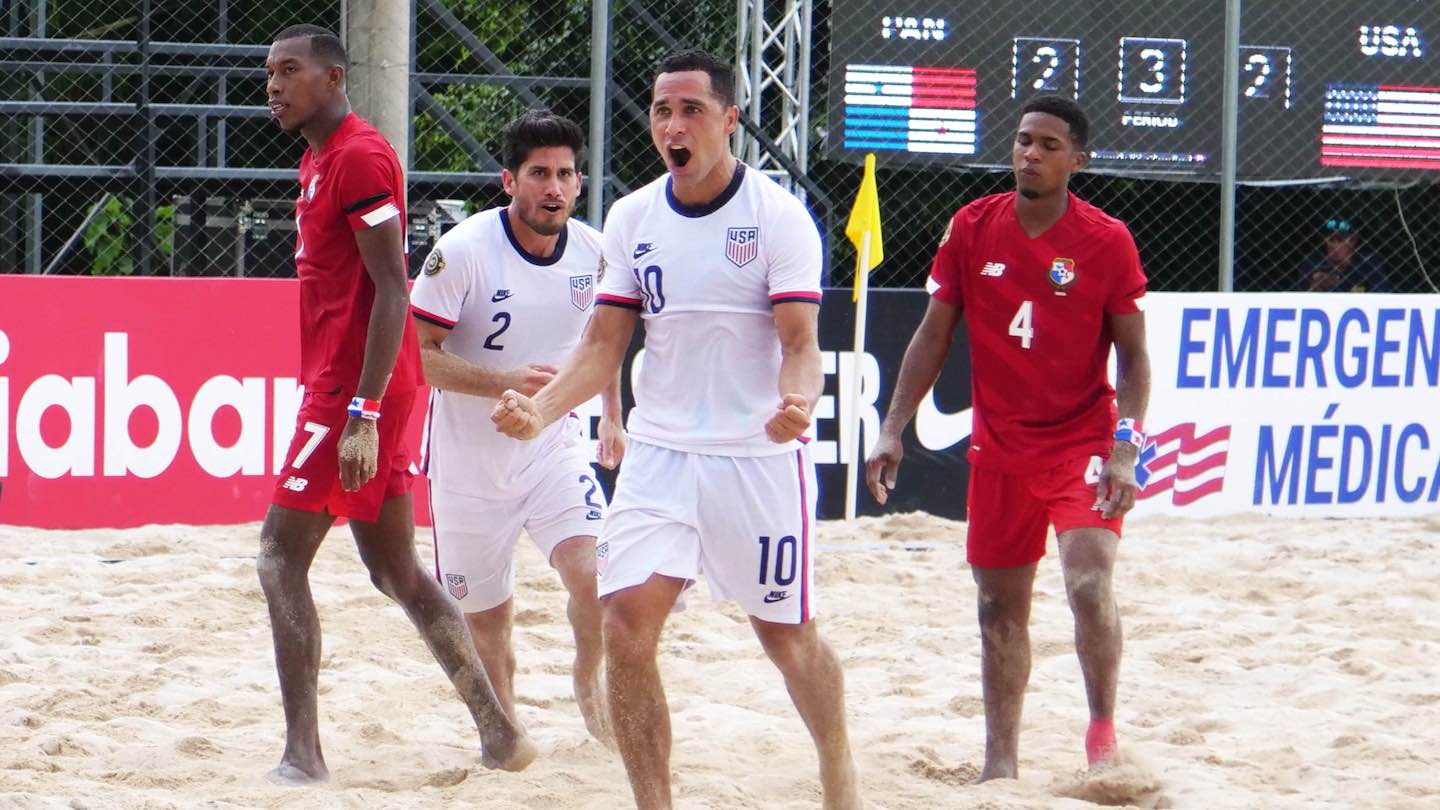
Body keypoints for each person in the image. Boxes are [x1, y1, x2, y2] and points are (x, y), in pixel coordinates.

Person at [492, 48, 863, 810]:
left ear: (729, 120)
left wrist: (797, 404)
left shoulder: (778, 218)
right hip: (660, 455)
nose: (673, 124)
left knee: (786, 640)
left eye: (691, 109)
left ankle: (837, 769)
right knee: (625, 624)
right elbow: (602, 346)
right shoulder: (633, 217)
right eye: (663, 110)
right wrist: (543, 408)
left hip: (755, 458)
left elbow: (800, 345)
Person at [256, 24, 534, 784]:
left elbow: (392, 290)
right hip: (352, 385)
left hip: (354, 391)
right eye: (269, 73)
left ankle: (303, 756)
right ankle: (500, 734)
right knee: (396, 572)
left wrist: (364, 410)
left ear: (334, 78)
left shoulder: (360, 156)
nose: (273, 85)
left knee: (279, 558)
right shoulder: (317, 159)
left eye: (288, 71)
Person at [865, 95, 1151, 781]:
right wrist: (893, 428)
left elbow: (1135, 357)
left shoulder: (1106, 239)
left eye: (1049, 145)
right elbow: (933, 334)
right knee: (998, 609)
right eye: (1024, 140)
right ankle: (1000, 767)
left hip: (1080, 442)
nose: (1031, 153)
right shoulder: (972, 225)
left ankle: (1102, 735)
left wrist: (1125, 446)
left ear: (1076, 161)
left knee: (1087, 582)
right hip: (999, 452)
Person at [409, 109, 625, 746]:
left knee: (597, 579)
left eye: (564, 174)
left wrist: (610, 415)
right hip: (468, 466)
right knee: (489, 622)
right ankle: (505, 736)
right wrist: (500, 384)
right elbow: (416, 356)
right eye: (538, 174)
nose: (553, 188)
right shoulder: (464, 250)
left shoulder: (593, 252)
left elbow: (602, 343)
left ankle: (590, 686)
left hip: (555, 447)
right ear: (509, 181)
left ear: (579, 183)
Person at [1297, 216, 1390, 292]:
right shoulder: (1313, 263)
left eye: (1340, 240)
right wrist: (1312, 284)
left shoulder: (1369, 263)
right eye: (1331, 240)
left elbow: (1382, 293)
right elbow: (1298, 294)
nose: (1334, 245)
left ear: (1354, 241)